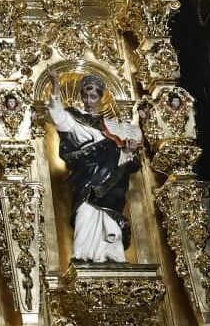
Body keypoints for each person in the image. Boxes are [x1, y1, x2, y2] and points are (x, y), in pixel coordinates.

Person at [46, 68, 141, 263]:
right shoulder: (74, 118)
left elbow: (124, 159)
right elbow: (57, 114)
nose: (89, 100)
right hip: (86, 174)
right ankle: (82, 254)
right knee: (85, 211)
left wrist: (128, 152)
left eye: (94, 97)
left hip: (110, 178)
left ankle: (112, 254)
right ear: (81, 96)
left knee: (108, 213)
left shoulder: (110, 126)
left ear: (100, 99)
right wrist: (55, 84)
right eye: (86, 96)